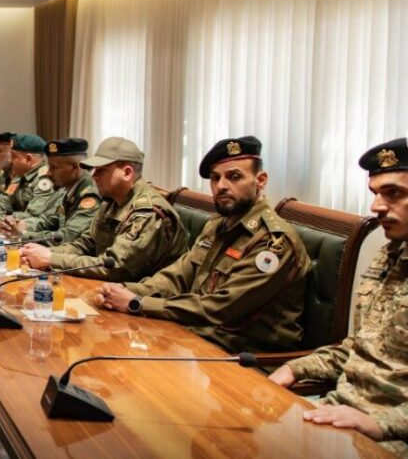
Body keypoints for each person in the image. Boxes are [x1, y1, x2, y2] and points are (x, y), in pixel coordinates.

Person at [94, 136, 310, 353]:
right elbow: (177, 276)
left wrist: (138, 303)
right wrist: (124, 290)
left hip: (244, 356)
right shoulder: (217, 224)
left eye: (234, 177)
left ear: (260, 180)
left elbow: (221, 307)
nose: (221, 186)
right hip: (196, 337)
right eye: (215, 178)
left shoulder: (273, 243)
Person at [269, 138, 408, 452]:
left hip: (391, 438)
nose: (376, 206)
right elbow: (360, 347)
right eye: (375, 193)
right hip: (339, 411)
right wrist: (295, 368)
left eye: (394, 193)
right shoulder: (390, 255)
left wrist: (379, 424)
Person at [20, 136, 188, 281]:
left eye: (102, 170)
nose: (94, 176)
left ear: (127, 173)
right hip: (113, 288)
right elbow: (86, 244)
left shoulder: (148, 212)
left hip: (143, 296)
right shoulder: (112, 201)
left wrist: (51, 259)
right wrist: (43, 253)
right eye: (95, 170)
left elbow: (115, 267)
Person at [2, 138, 102, 246]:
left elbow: (67, 236)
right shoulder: (66, 188)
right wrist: (21, 225)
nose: (48, 173)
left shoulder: (90, 195)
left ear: (74, 167)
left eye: (54, 167)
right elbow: (47, 221)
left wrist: (24, 234)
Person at [0, 132, 62, 227]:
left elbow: (32, 217)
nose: (10, 160)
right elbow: (8, 202)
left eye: (13, 156)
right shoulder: (21, 175)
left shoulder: (44, 180)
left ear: (28, 159)